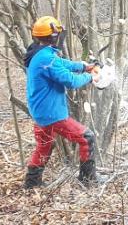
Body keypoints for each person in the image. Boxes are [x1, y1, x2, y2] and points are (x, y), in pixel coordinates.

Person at [23, 16, 104, 189]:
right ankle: (88, 179)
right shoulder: (47, 59)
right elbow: (71, 81)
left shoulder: (39, 52)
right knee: (86, 138)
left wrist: (84, 66)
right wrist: (91, 76)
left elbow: (62, 63)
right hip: (52, 113)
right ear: (53, 36)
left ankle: (31, 183)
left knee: (45, 145)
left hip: (40, 111)